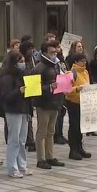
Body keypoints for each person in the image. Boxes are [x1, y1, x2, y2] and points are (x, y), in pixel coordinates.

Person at [0, 52, 31, 178]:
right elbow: (5, 96)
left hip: (24, 109)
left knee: (22, 140)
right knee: (14, 139)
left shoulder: (23, 74)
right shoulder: (6, 76)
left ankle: (22, 165)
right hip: (13, 110)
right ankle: (12, 167)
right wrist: (19, 91)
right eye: (19, 61)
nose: (22, 64)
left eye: (23, 61)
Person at [33, 40, 65, 170]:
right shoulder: (39, 67)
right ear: (45, 52)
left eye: (56, 52)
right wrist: (49, 87)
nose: (55, 54)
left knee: (51, 131)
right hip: (43, 104)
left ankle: (50, 156)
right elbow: (34, 88)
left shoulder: (56, 65)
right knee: (42, 131)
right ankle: (41, 159)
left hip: (55, 102)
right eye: (52, 52)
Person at [65, 52, 92, 160]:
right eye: (81, 61)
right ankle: (73, 150)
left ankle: (79, 147)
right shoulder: (70, 73)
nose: (84, 63)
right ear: (76, 62)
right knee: (74, 126)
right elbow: (66, 91)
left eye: (85, 61)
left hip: (84, 103)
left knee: (81, 127)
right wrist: (77, 89)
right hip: (73, 103)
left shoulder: (85, 72)